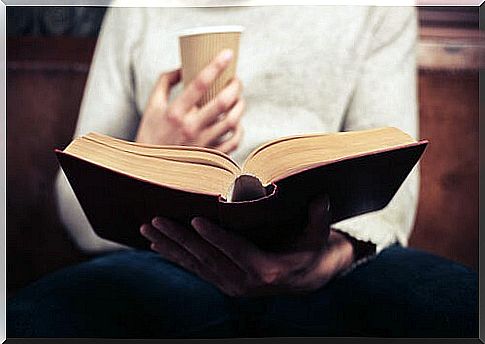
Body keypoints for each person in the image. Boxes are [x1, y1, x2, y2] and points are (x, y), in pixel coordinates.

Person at [8, 5, 478, 338]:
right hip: (168, 257)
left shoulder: (376, 8)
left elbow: (394, 195)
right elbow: (74, 212)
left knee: (463, 309)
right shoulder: (137, 9)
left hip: (334, 261)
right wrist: (153, 148)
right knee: (29, 322)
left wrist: (322, 264)